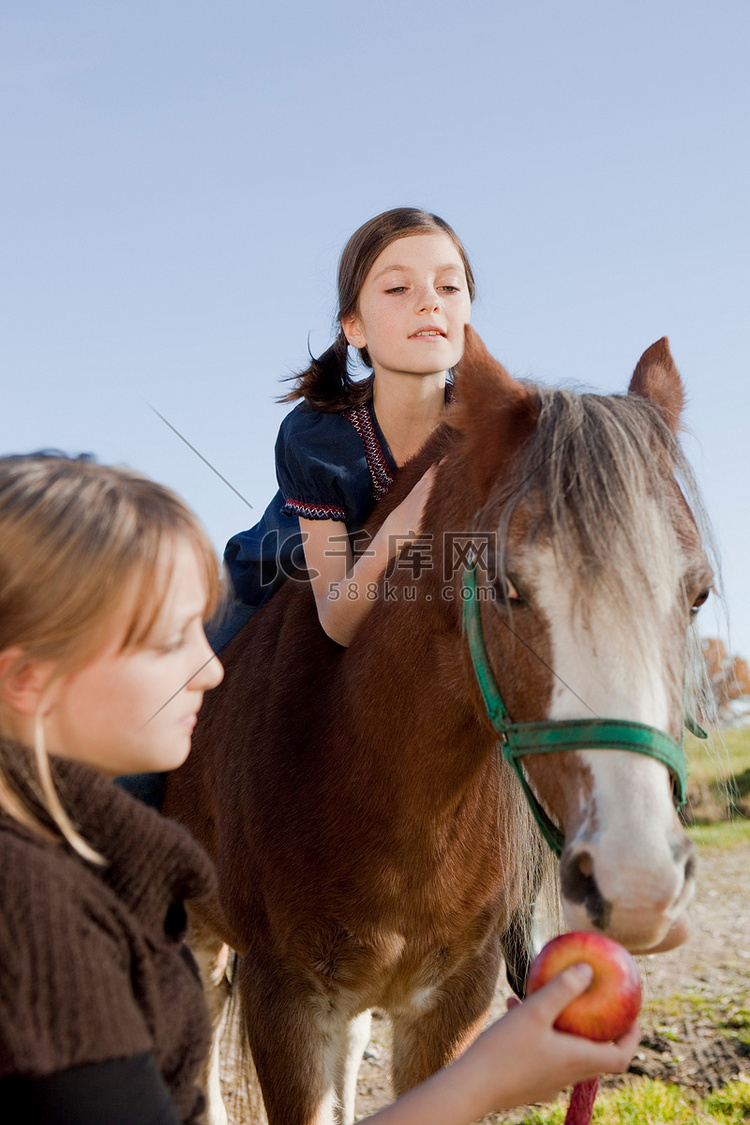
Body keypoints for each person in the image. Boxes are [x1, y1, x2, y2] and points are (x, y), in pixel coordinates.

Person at [0, 453, 637, 1125]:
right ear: (27, 679)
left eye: (201, 630)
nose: (212, 669)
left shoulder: (80, 877)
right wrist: (481, 1083)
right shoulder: (41, 920)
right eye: (167, 641)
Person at [218, 206, 474, 651]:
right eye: (398, 287)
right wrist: (404, 524)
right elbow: (338, 620)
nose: (431, 301)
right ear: (354, 327)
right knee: (174, 685)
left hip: (401, 587)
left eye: (449, 286)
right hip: (271, 580)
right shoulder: (316, 436)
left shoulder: (485, 427)